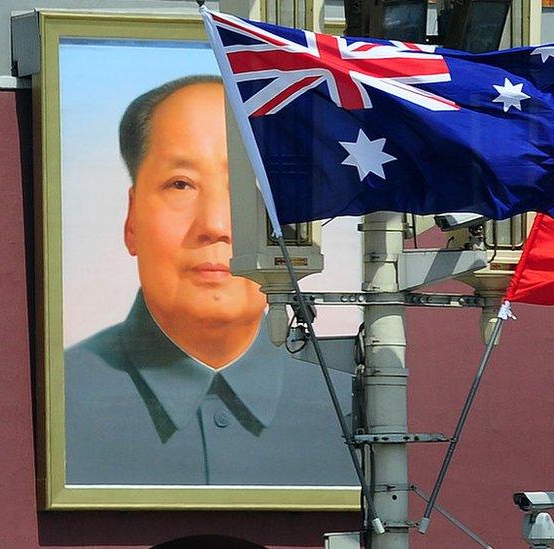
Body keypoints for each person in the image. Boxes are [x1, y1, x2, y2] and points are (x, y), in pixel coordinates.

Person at [64, 75, 355, 486]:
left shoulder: (354, 406)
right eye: (181, 184)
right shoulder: (59, 399)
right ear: (132, 219)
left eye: (251, 187)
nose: (216, 225)